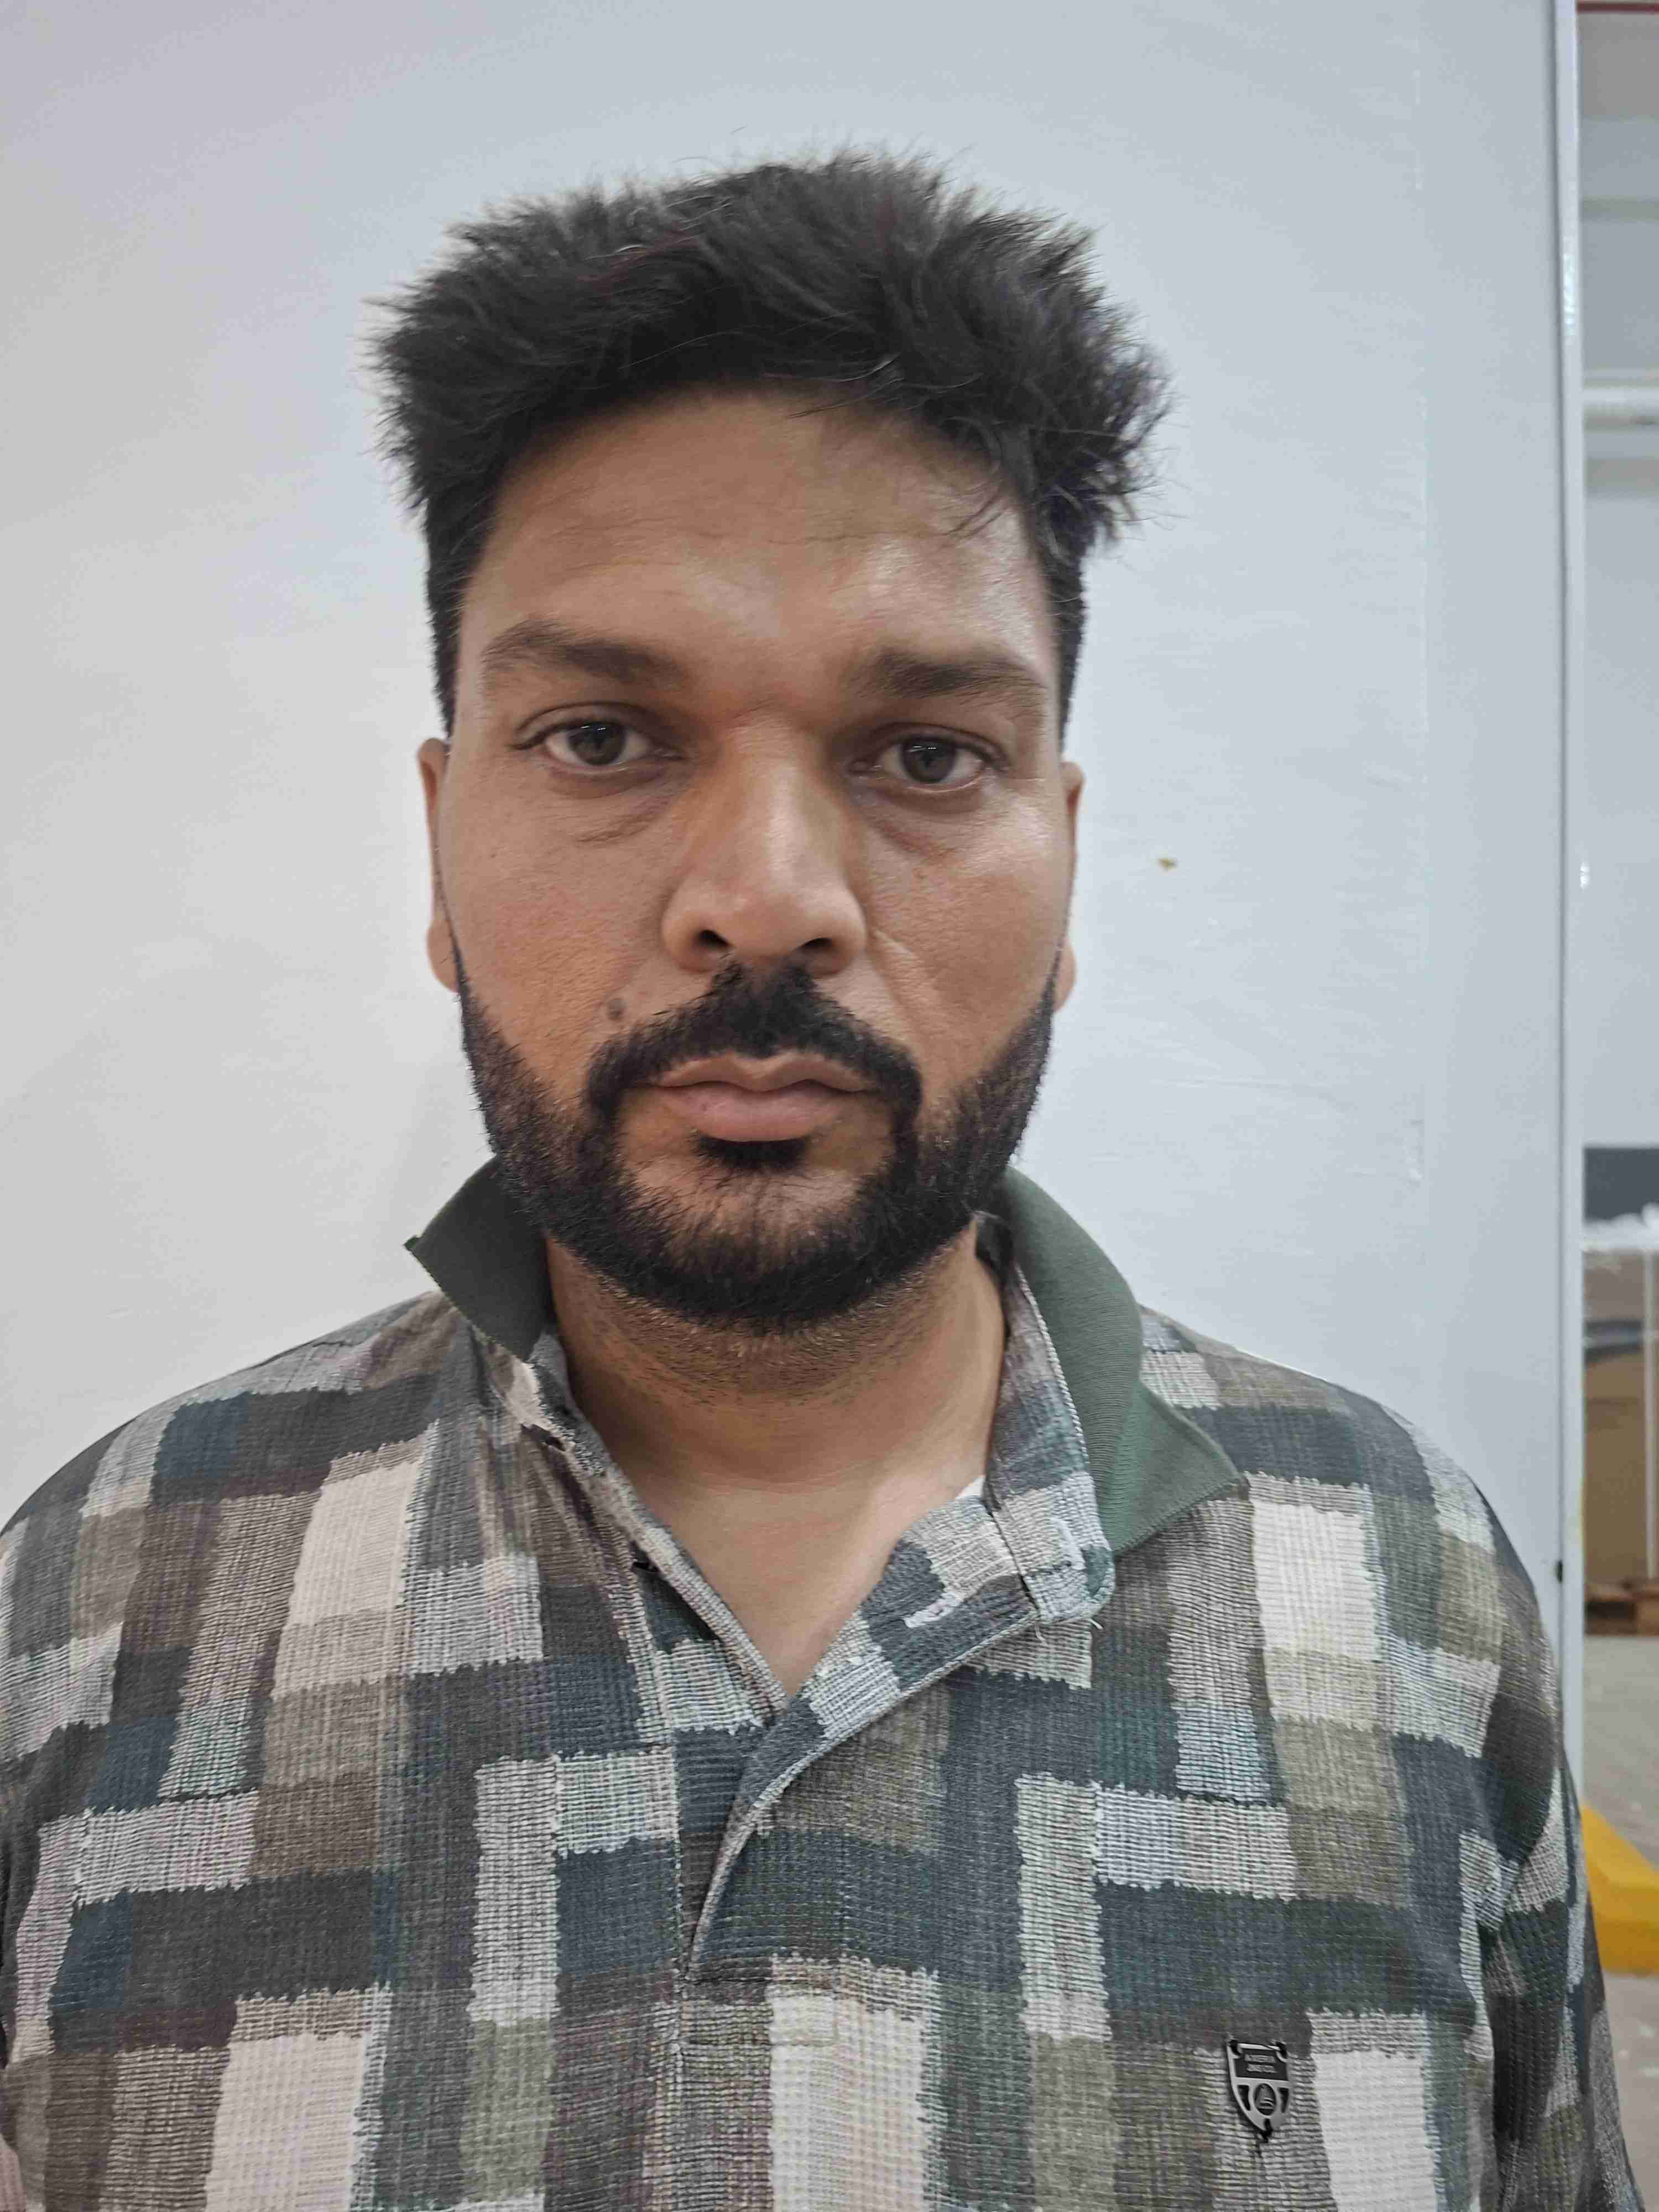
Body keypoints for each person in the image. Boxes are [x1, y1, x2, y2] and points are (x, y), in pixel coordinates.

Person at [0, 151, 1640, 2211]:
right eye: (604, 738)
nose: (766, 903)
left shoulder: (1405, 1593)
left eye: (926, 755)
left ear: (1065, 855)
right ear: (438, 842)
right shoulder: (102, 1602)